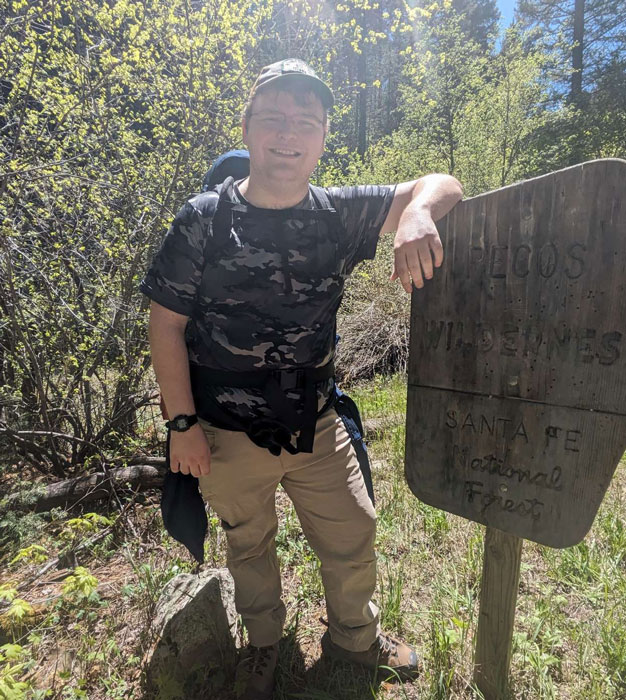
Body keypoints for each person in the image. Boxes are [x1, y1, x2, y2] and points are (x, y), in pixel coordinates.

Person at [141, 58, 463, 700]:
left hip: (315, 419)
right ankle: (263, 646)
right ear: (248, 126)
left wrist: (417, 214)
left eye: (305, 122)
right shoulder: (203, 220)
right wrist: (182, 426)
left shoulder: (338, 214)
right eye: (274, 118)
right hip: (225, 428)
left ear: (322, 137)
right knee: (250, 544)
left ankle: (354, 637)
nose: (288, 133)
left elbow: (445, 182)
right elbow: (165, 326)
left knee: (353, 531)